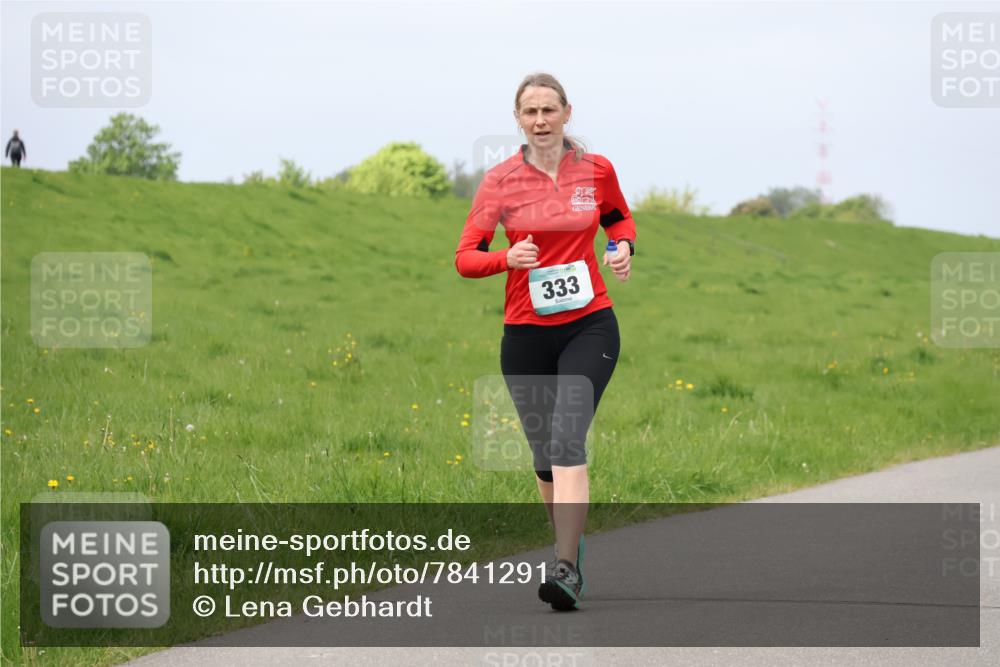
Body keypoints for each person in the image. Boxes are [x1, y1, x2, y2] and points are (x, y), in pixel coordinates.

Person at [455, 72, 635, 612]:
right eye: (530, 111)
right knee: (542, 458)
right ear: (517, 118)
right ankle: (570, 556)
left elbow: (619, 218)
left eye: (549, 110)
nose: (540, 120)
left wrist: (623, 248)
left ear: (566, 112)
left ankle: (563, 569)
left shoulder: (595, 170)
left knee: (566, 439)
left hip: (589, 324)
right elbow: (466, 257)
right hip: (526, 333)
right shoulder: (500, 181)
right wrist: (504, 259)